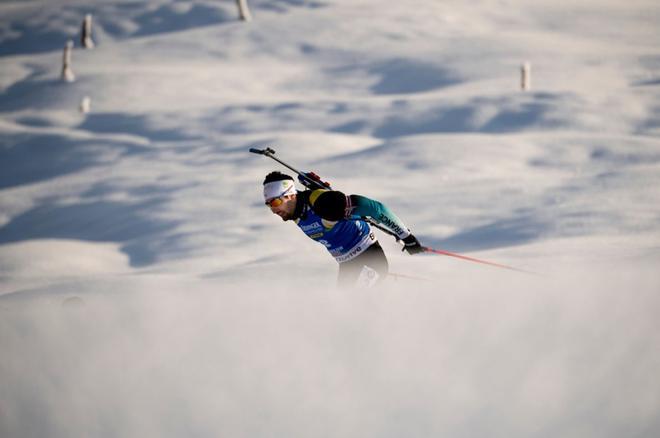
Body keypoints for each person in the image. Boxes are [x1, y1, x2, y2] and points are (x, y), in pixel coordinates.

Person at [262, 171, 424, 288]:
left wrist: (406, 236)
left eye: (275, 202)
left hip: (369, 259)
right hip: (347, 264)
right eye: (269, 204)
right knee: (341, 309)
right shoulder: (295, 209)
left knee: (354, 307)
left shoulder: (321, 203)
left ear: (290, 195)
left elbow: (376, 209)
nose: (273, 209)